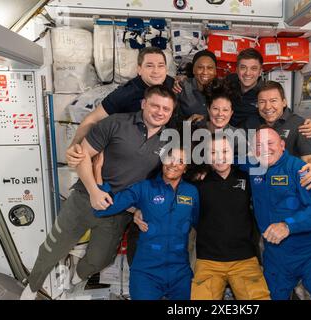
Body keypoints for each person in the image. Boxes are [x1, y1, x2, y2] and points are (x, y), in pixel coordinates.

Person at [20, 85, 176, 300]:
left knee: (100, 260)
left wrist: (141, 209)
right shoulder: (116, 123)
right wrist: (94, 191)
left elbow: (157, 181)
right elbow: (83, 155)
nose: (160, 112)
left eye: (166, 109)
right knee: (53, 248)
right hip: (84, 198)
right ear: (143, 104)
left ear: (171, 112)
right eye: (155, 106)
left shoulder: (170, 140)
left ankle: (76, 276)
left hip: (119, 210)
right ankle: (32, 287)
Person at [246, 127, 311, 300]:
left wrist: (288, 225)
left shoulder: (301, 170)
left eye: (270, 143)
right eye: (258, 145)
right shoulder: (253, 167)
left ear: (282, 145)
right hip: (276, 256)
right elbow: (222, 159)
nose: (264, 149)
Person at [93, 148, 199, 300]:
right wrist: (97, 170)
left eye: (181, 161)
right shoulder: (144, 187)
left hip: (180, 272)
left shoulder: (192, 192)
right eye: (170, 158)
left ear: (186, 168)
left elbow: (201, 223)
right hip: (147, 272)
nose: (173, 164)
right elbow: (102, 210)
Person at [190, 136, 270, 300]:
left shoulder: (248, 178)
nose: (219, 157)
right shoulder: (197, 183)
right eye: (213, 152)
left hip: (245, 260)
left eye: (225, 151)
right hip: (208, 261)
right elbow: (170, 177)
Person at [66, 46, 174, 167]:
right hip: (129, 154)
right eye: (149, 66)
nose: (156, 71)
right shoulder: (126, 93)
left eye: (161, 65)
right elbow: (92, 119)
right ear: (139, 69)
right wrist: (74, 145)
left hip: (160, 147)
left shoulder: (171, 84)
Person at [252, 81, 311, 191]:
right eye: (262, 102)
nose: (267, 107)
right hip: (261, 187)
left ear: (284, 102)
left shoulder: (299, 124)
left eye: (273, 101)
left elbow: (308, 158)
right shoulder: (251, 122)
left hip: (288, 190)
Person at [225, 48, 311, 139]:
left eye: (254, 68)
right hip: (226, 134)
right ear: (236, 70)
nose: (248, 73)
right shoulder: (227, 84)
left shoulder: (265, 92)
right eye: (243, 67)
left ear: (260, 72)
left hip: (251, 138)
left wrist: (306, 125)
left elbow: (282, 112)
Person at [174, 50, 218, 122]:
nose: (205, 72)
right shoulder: (180, 88)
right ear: (193, 69)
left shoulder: (223, 88)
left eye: (210, 68)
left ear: (215, 71)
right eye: (200, 67)